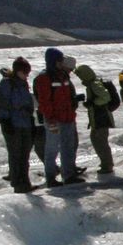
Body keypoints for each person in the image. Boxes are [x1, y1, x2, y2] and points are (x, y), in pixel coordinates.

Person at [34, 48, 84, 186]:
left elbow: (68, 96)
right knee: (52, 148)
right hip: (54, 119)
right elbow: (44, 101)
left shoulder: (63, 75)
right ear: (54, 61)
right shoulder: (44, 78)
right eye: (60, 60)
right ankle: (51, 178)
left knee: (68, 147)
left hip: (67, 117)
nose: (63, 63)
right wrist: (50, 119)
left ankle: (68, 175)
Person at [0, 56, 37, 193]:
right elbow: (4, 104)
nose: (27, 75)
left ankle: (25, 182)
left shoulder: (22, 83)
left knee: (24, 154)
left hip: (24, 123)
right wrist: (6, 121)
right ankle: (18, 183)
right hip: (13, 124)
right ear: (17, 71)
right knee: (16, 154)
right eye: (25, 72)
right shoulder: (7, 84)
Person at [73, 64, 115, 174]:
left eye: (80, 76)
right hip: (98, 118)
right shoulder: (91, 84)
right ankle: (106, 163)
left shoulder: (94, 84)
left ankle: (107, 165)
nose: (80, 78)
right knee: (98, 140)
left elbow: (106, 97)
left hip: (101, 118)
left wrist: (93, 103)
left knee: (100, 142)